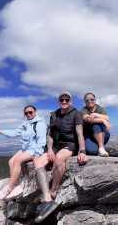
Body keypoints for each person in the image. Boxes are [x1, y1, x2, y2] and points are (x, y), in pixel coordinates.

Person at [34, 92, 88, 223]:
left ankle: (53, 191)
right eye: (62, 99)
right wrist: (50, 149)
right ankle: (47, 198)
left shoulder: (76, 113)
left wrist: (82, 150)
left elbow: (79, 134)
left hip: (70, 144)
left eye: (67, 99)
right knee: (38, 162)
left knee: (59, 159)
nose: (64, 101)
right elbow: (51, 135)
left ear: (71, 101)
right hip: (56, 145)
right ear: (59, 101)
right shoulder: (54, 114)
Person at [0, 105, 47, 200]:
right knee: (11, 161)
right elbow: (15, 132)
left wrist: (37, 153)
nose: (28, 114)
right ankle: (16, 183)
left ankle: (9, 187)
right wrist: (1, 131)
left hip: (34, 149)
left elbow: (41, 141)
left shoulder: (40, 124)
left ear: (35, 112)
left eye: (30, 112)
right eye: (26, 113)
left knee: (17, 160)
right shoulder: (25, 124)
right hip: (26, 148)